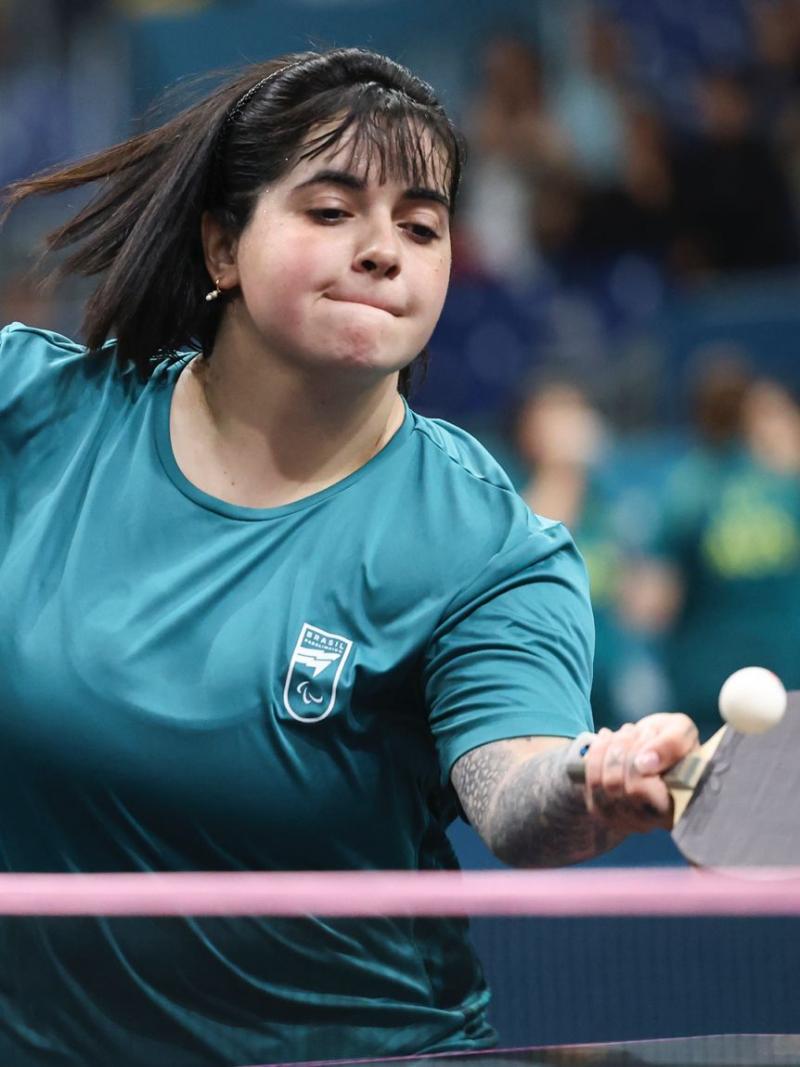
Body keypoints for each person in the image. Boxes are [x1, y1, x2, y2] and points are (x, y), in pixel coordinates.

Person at [0, 47, 698, 1067]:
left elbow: (511, 788)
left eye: (420, 227)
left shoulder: (483, 548)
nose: (384, 250)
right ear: (220, 247)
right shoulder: (36, 413)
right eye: (330, 211)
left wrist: (590, 779)